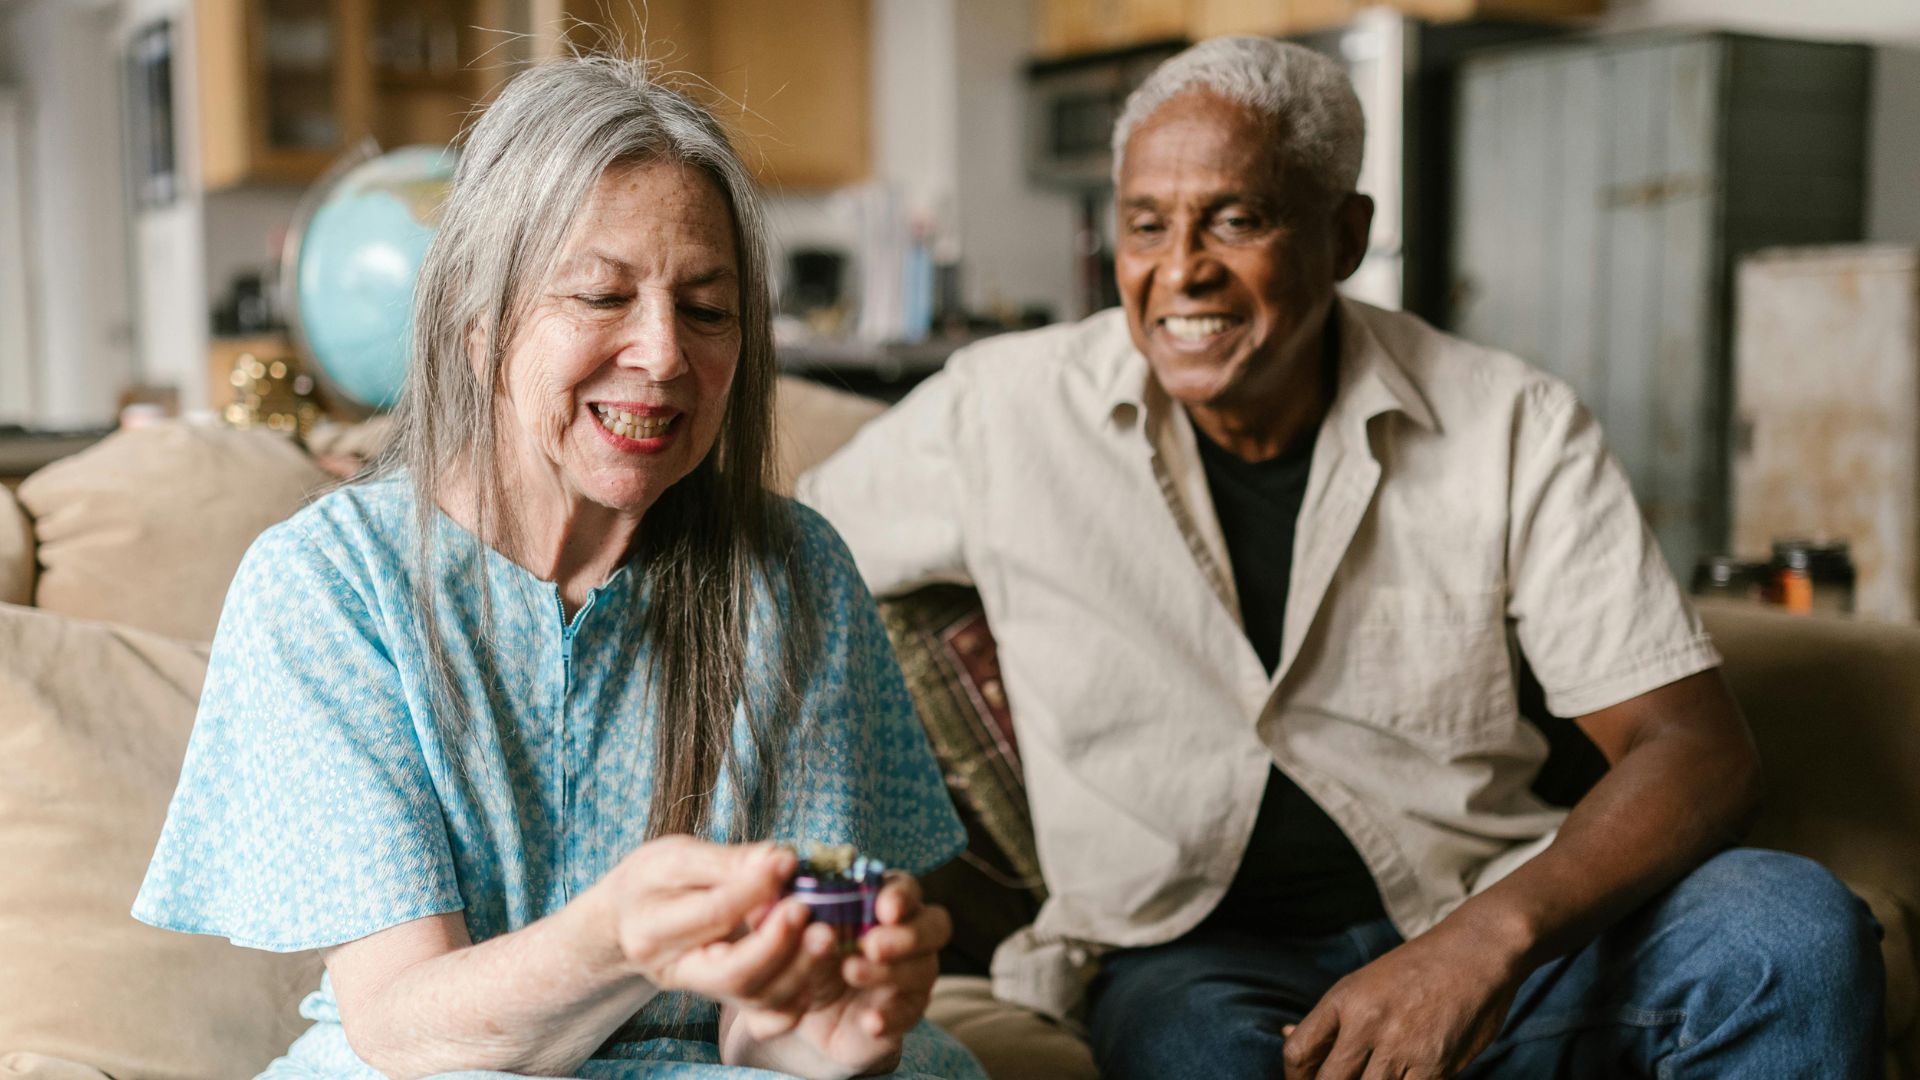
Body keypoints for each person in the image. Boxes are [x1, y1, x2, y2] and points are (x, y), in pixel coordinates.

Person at [798, 35, 1885, 1080]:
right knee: (1193, 1055)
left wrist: (1480, 945)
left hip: (1488, 914)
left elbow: (1695, 748)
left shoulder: (1509, 422)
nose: (1182, 272)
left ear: (1346, 235)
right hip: (1186, 960)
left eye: (1238, 220)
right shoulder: (1000, 412)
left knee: (1789, 931)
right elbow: (769, 560)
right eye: (1147, 225)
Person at [134, 56, 986, 1080]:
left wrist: (830, 1036)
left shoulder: (794, 574)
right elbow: (407, 1028)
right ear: (479, 322)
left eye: (708, 310)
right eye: (600, 295)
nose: (665, 355)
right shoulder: (328, 585)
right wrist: (618, 938)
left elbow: (770, 1027)